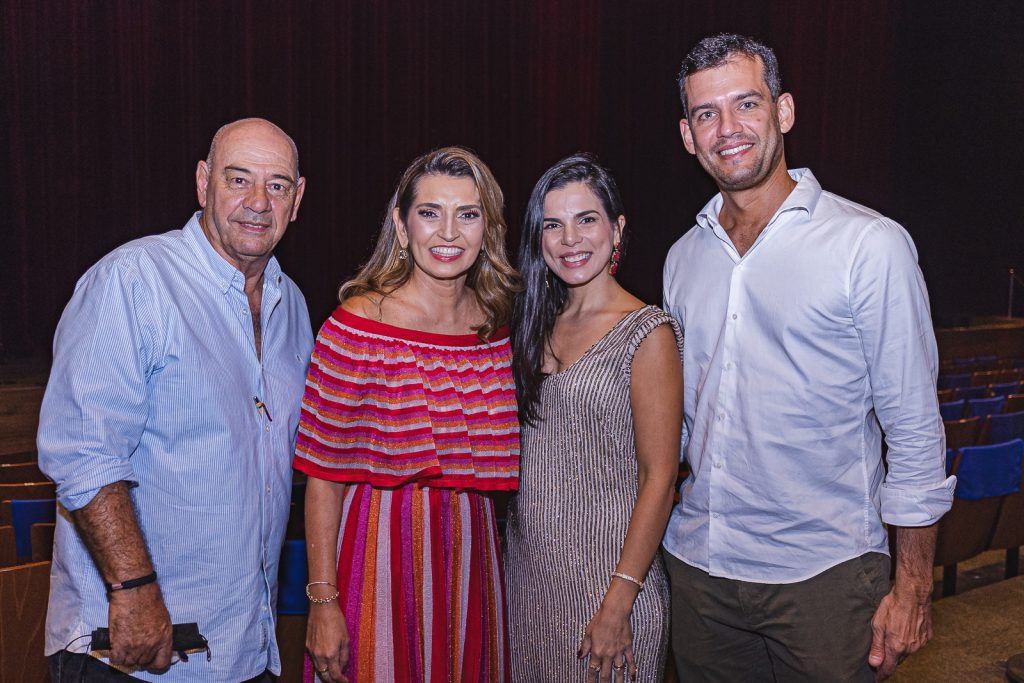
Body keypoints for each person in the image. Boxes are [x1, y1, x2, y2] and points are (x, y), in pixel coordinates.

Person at [661, 33, 955, 682]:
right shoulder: (683, 259)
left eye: (746, 103)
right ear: (688, 136)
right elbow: (684, 419)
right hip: (701, 572)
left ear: (784, 111)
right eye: (707, 113)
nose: (727, 128)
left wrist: (912, 587)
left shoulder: (868, 246)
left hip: (825, 578)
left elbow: (913, 428)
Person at [37, 118, 313, 681]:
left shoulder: (293, 307)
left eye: (277, 185)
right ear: (203, 182)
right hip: (133, 651)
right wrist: (135, 589)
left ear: (297, 198)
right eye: (239, 179)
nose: (258, 202)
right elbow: (84, 452)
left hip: (243, 647)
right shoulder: (133, 280)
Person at [295, 147, 521, 683]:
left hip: (470, 555)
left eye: (468, 214)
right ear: (401, 226)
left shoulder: (494, 327)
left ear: (487, 229)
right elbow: (323, 477)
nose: (449, 232)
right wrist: (323, 601)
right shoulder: (357, 326)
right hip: (377, 552)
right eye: (430, 213)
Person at [505, 154, 683, 683]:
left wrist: (619, 601)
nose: (570, 239)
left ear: (617, 229)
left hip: (608, 589)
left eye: (586, 219)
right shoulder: (531, 325)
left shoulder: (646, 333)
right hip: (528, 585)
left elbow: (660, 478)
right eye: (553, 225)